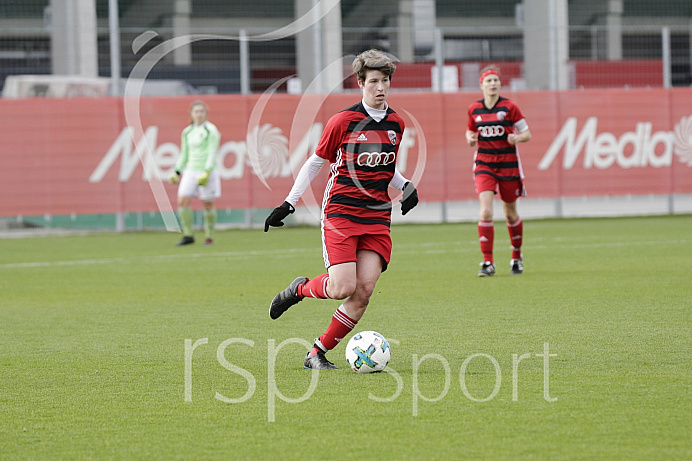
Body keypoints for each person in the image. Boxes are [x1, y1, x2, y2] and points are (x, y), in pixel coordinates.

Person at [264, 49, 420, 370]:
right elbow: (316, 162)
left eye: (385, 81)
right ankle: (300, 289)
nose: (380, 87)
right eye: (373, 81)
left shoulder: (396, 124)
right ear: (360, 84)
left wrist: (405, 186)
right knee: (341, 288)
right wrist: (289, 203)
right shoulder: (343, 121)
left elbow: (384, 166)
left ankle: (316, 353)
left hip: (376, 217)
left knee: (363, 291)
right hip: (341, 213)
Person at [465, 65, 532, 277]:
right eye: (489, 81)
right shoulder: (474, 109)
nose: (493, 84)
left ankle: (517, 256)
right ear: (481, 85)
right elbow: (470, 132)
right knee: (485, 211)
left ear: (500, 84)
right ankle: (487, 262)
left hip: (508, 164)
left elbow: (527, 133)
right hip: (484, 163)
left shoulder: (510, 107)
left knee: (510, 214)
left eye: (496, 80)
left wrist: (517, 137)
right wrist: (469, 138)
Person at [169, 100, 221, 246]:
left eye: (202, 111)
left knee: (208, 204)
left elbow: (212, 151)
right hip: (191, 170)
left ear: (206, 113)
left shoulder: (211, 130)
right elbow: (184, 153)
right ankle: (188, 235)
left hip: (207, 171)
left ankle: (209, 236)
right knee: (182, 201)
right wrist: (177, 171)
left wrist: (207, 171)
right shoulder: (187, 132)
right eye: (196, 111)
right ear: (191, 114)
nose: (199, 114)